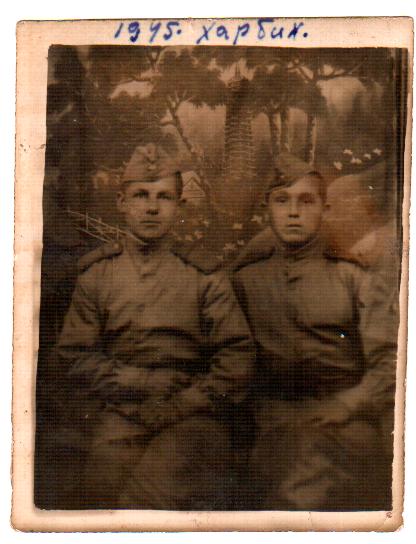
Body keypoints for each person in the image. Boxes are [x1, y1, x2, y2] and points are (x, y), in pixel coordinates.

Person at [57, 143, 254, 510]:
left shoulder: (204, 275)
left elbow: (236, 358)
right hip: (121, 412)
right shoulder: (97, 275)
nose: (151, 208)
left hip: (193, 415)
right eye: (141, 195)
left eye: (164, 197)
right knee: (99, 490)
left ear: (179, 205)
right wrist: (141, 381)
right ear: (121, 202)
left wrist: (182, 403)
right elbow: (74, 356)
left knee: (150, 496)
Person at [233, 152, 398, 510]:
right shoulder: (245, 281)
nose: (293, 212)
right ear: (267, 209)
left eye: (306, 201)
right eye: (282, 201)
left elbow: (391, 360)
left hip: (342, 416)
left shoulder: (353, 278)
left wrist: (349, 403)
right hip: (269, 415)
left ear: (325, 209)